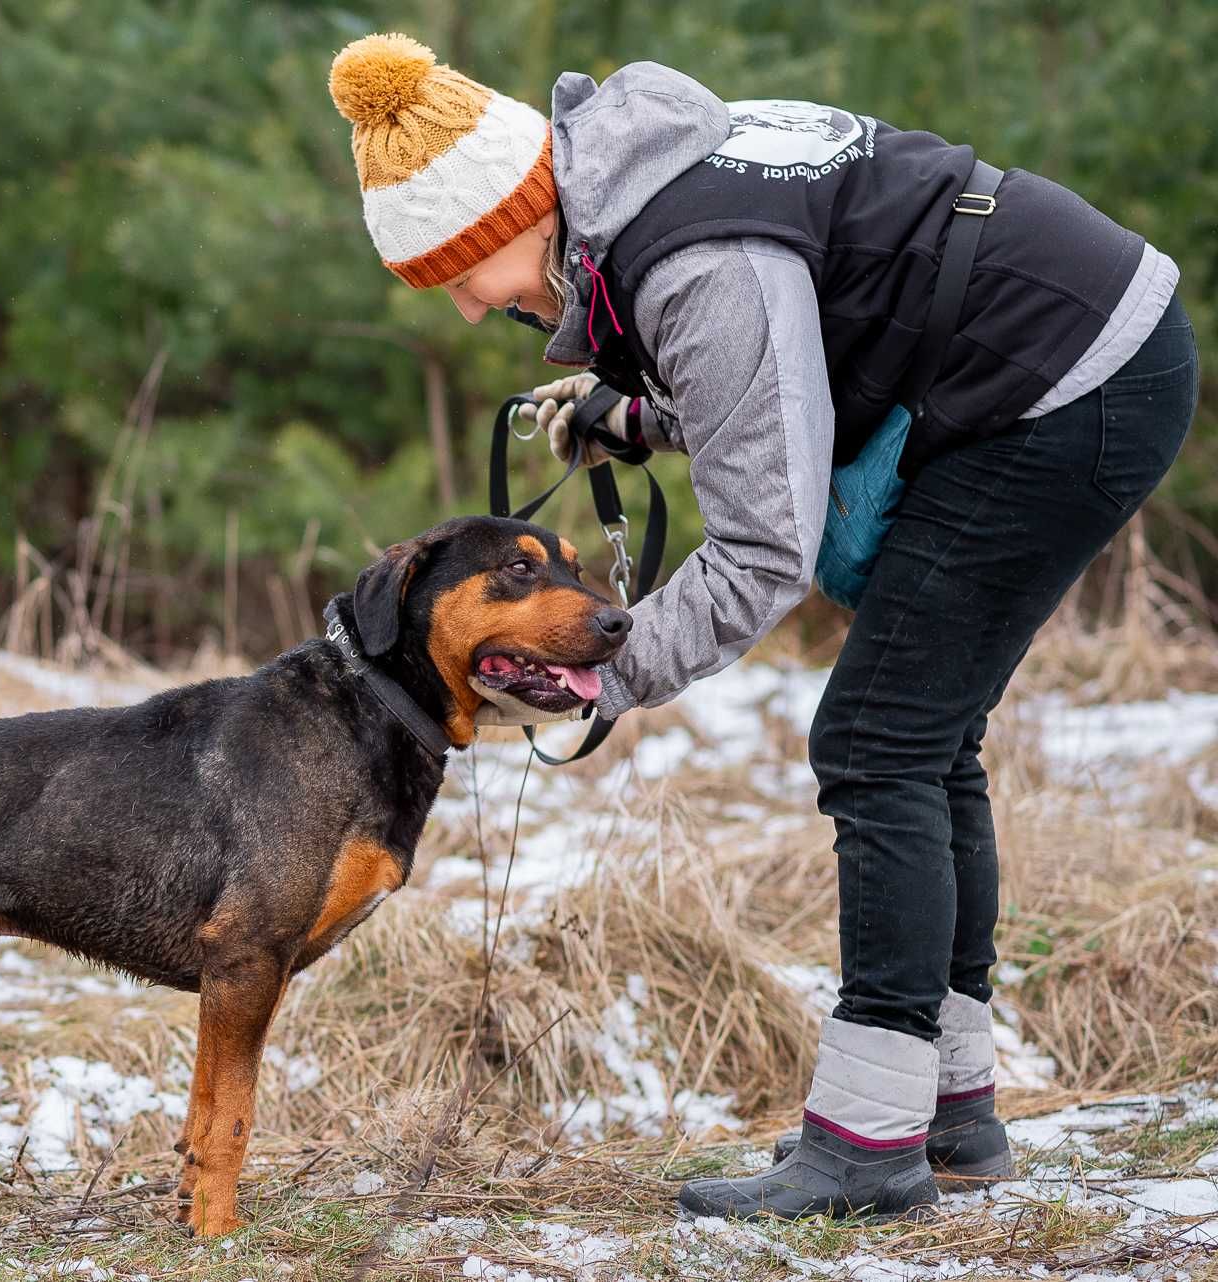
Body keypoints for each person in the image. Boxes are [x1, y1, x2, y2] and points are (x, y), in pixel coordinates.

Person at [327, 32, 1198, 1221]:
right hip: (1079, 342)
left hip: (1065, 380)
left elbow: (761, 546)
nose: (477, 311)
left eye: (460, 276)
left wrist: (600, 681)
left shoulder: (689, 261)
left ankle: (866, 1149)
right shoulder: (638, 180)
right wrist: (633, 413)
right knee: (924, 739)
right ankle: (950, 1113)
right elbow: (778, 367)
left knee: (878, 740)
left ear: (508, 220)